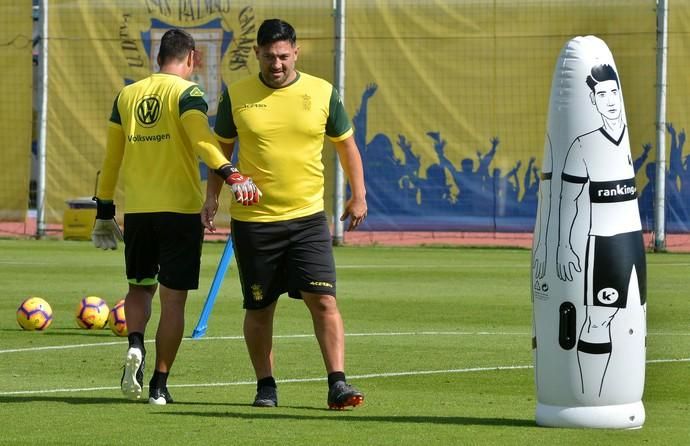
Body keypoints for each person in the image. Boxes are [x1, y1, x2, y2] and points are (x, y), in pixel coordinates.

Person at [203, 18, 367, 409]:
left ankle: (337, 383)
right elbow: (220, 152)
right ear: (257, 53)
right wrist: (211, 198)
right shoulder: (237, 95)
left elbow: (347, 147)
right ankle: (266, 386)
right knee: (259, 307)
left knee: (323, 301)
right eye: (268, 56)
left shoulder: (322, 92)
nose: (276, 64)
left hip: (308, 219)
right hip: (255, 223)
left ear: (295, 52)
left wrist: (359, 195)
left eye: (283, 56)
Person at [91, 28, 261, 405]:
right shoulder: (189, 93)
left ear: (158, 58)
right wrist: (230, 173)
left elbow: (112, 159)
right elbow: (203, 140)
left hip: (138, 211)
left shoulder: (127, 96)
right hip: (180, 211)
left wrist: (104, 208)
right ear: (192, 59)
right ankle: (159, 385)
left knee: (139, 288)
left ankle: (136, 342)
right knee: (174, 302)